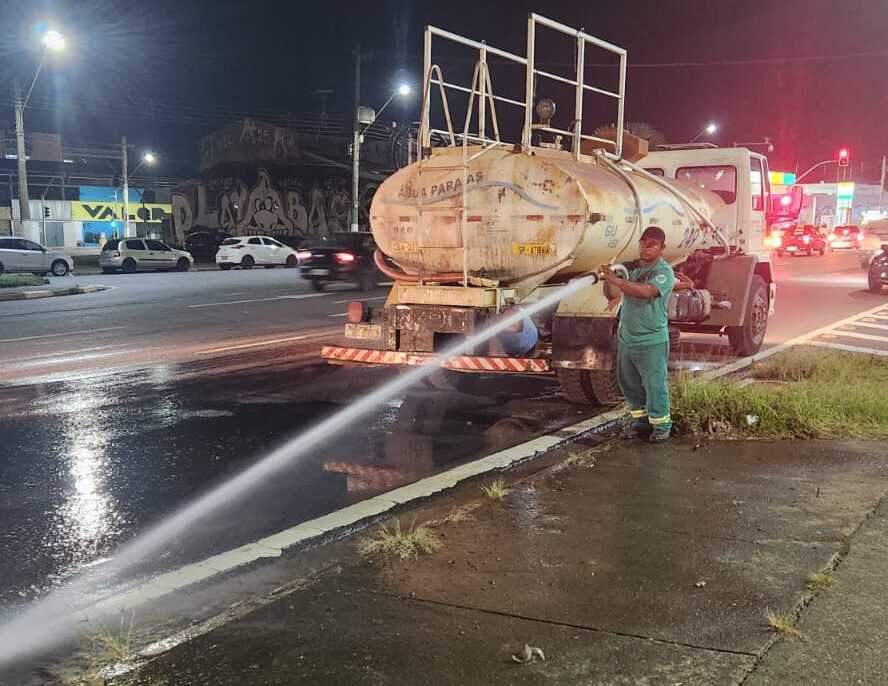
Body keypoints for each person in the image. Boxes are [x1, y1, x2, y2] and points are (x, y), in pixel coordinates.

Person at [601, 226, 676, 442]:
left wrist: (618, 281)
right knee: (629, 384)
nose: (646, 247)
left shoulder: (663, 272)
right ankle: (640, 423)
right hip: (627, 338)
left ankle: (661, 425)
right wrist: (610, 278)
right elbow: (611, 293)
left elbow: (645, 292)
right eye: (643, 242)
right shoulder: (631, 269)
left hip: (651, 339)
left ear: (662, 247)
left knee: (654, 385)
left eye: (652, 244)